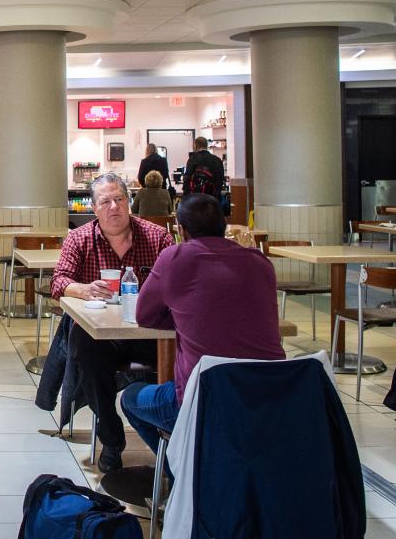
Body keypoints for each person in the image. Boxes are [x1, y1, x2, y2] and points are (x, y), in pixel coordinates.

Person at [120, 194, 285, 459]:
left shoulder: (175, 258)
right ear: (225, 225)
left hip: (204, 403)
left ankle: (180, 475)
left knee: (130, 397)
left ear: (180, 230)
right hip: (267, 402)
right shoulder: (260, 263)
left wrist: (183, 316)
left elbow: (145, 316)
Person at [50, 172, 174, 473]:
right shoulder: (80, 239)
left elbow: (178, 281)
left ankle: (174, 439)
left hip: (152, 335)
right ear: (94, 207)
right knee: (85, 349)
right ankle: (111, 436)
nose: (114, 207)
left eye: (119, 199)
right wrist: (84, 288)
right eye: (105, 201)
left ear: (129, 202)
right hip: (106, 337)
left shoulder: (157, 238)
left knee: (181, 352)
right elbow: (59, 281)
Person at [183, 135, 225, 200]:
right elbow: (221, 178)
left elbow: (187, 178)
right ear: (206, 146)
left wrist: (186, 196)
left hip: (196, 198)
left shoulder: (193, 159)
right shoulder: (217, 160)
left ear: (195, 146)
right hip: (213, 197)